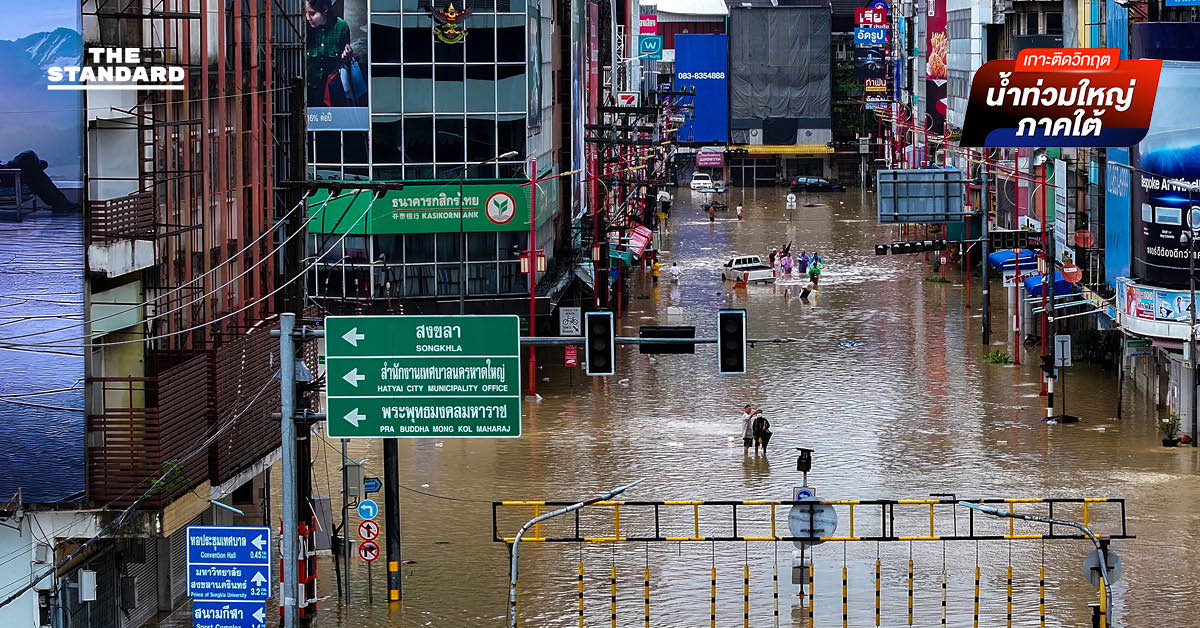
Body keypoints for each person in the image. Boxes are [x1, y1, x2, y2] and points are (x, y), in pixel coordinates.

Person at [305, 0, 354, 107]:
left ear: (325, 9)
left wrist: (346, 57)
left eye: (312, 14)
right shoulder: (303, 27)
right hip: (308, 89)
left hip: (331, 90)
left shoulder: (341, 27)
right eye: (305, 13)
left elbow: (344, 63)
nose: (308, 18)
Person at [0, 151, 78, 211]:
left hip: (6, 171)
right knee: (28, 156)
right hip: (5, 175)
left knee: (33, 168)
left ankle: (60, 203)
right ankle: (60, 203)